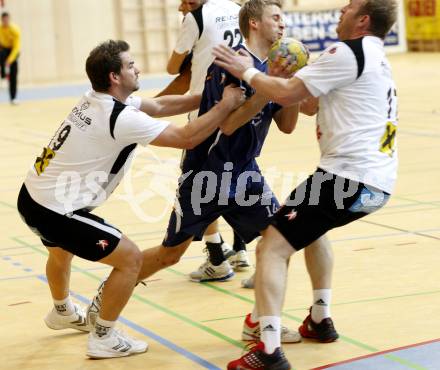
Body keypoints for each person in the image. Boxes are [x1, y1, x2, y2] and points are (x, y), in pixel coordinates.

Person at [88, 0, 302, 345]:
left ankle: (259, 322)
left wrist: (288, 85)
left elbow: (288, 126)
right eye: (275, 17)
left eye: (283, 18)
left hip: (245, 173)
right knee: (171, 254)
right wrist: (266, 89)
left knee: (280, 242)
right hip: (206, 174)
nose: (283, 24)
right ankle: (107, 295)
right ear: (254, 24)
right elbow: (229, 124)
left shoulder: (269, 69)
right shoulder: (230, 63)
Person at [16, 39, 244, 359]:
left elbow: (162, 106)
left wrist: (213, 96)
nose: (136, 68)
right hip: (55, 209)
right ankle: (104, 337)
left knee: (60, 253)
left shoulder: (96, 100)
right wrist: (225, 106)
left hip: (32, 195)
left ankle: (62, 310)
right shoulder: (120, 118)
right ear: (114, 77)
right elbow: (186, 137)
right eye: (130, 64)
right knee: (131, 260)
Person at [213, 0, 399, 368]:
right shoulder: (374, 56)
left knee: (271, 248)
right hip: (376, 184)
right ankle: (319, 318)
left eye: (349, 7)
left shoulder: (346, 52)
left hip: (346, 177)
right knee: (313, 232)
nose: (341, 9)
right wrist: (295, 75)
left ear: (362, 20)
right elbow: (310, 105)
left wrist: (249, 72)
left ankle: (267, 349)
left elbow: (286, 96)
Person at [167, 0, 250, 274]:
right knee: (235, 175)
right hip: (243, 103)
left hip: (209, 105)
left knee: (201, 183)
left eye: (183, 2)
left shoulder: (197, 17)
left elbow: (173, 67)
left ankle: (216, 258)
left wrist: (190, 42)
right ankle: (240, 250)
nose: (181, 7)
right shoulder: (240, 9)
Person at [0, 11, 20, 104]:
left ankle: (13, 98)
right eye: (3, 20)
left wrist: (10, 60)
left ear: (9, 19)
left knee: (13, 75)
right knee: (2, 53)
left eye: (7, 20)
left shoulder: (15, 30)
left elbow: (16, 48)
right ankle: (3, 73)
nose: (5, 22)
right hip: (3, 50)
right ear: (2, 20)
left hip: (13, 51)